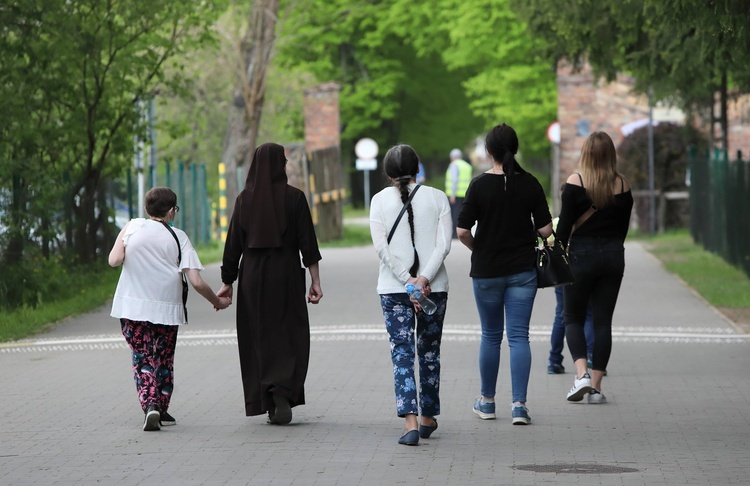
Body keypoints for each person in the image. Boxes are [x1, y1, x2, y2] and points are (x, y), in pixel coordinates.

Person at [109, 187, 231, 432]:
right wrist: (217, 302)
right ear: (171, 211)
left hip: (132, 307)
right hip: (167, 309)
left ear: (147, 209)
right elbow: (196, 282)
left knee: (142, 358)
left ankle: (150, 404)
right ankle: (161, 407)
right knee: (163, 358)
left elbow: (113, 260)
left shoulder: (132, 227)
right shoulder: (179, 237)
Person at [218, 142, 323, 426]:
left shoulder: (244, 200)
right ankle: (283, 392)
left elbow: (233, 246)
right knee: (289, 332)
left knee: (258, 334)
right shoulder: (295, 198)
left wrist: (227, 281)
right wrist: (315, 281)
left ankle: (265, 395)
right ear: (279, 166)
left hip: (252, 276)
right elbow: (308, 244)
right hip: (287, 273)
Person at [457, 123, 552, 425]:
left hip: (486, 271)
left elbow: (461, 231)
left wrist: (479, 249)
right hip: (523, 270)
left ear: (488, 152)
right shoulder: (531, 184)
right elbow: (546, 230)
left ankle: (487, 402)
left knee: (490, 335)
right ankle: (519, 407)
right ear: (516, 148)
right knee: (519, 336)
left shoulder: (479, 185)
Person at [369, 144, 452, 446]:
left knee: (402, 353)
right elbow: (444, 245)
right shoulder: (438, 197)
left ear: (388, 172)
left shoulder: (378, 201)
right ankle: (429, 416)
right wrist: (423, 279)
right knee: (430, 352)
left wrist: (407, 281)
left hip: (393, 290)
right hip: (435, 288)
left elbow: (381, 248)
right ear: (417, 169)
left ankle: (411, 422)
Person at [557, 131, 632, 404]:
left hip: (581, 256)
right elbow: (623, 229)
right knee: (603, 321)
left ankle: (581, 375)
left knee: (573, 317)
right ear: (611, 155)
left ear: (586, 154)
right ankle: (597, 388)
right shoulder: (623, 185)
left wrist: (558, 259)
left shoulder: (575, 182)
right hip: (613, 256)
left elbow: (563, 230)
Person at [546, 217, 595, 375]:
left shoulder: (556, 222)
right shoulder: (588, 220)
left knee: (561, 315)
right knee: (588, 313)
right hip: (585, 269)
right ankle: (590, 356)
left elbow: (545, 245)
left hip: (562, 273)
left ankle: (554, 361)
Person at [445, 148, 473, 238]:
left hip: (455, 194)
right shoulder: (467, 166)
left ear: (452, 157)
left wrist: (452, 195)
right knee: (462, 213)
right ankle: (463, 230)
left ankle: (454, 233)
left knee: (454, 214)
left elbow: (454, 180)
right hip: (465, 194)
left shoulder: (454, 165)